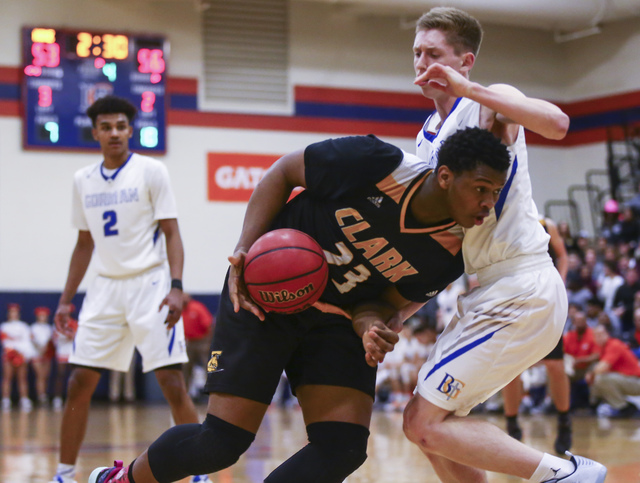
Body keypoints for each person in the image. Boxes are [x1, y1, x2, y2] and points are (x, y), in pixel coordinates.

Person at [87, 126, 512, 483]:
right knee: (220, 444)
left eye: (494, 192)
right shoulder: (376, 161)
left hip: (337, 322)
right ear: (444, 177)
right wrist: (243, 250)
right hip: (266, 297)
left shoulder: (450, 253)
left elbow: (384, 304)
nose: (487, 204)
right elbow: (283, 172)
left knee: (342, 447)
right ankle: (121, 480)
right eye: (480, 189)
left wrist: (372, 327)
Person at [403, 7, 607, 482]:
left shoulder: (490, 102)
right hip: (486, 288)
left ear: (465, 61)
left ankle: (567, 474)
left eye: (434, 53)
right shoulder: (427, 138)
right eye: (416, 53)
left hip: (523, 282)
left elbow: (557, 123)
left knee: (425, 423)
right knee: (426, 426)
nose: (421, 63)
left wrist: (470, 90)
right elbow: (444, 242)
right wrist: (399, 312)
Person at [49, 95, 209, 483]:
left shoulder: (152, 171)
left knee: (172, 382)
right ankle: (65, 474)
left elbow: (172, 232)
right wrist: (65, 301)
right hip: (104, 289)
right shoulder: (82, 180)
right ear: (96, 132)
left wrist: (176, 286)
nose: (115, 132)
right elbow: (84, 244)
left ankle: (201, 473)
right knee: (78, 383)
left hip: (150, 284)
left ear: (130, 129)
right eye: (106, 127)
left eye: (121, 125)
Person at [501, 216, 573, 454]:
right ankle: (512, 424)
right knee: (511, 369)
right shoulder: (499, 223)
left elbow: (562, 255)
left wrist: (560, 280)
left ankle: (564, 422)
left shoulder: (545, 223)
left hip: (545, 301)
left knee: (555, 365)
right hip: (514, 301)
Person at [587, 324, 640, 418]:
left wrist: (591, 374)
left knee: (602, 378)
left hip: (636, 382)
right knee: (597, 376)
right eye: (595, 335)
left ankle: (623, 407)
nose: (598, 338)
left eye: (600, 334)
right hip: (627, 380)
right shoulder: (602, 348)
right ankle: (595, 405)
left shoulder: (614, 344)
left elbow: (602, 368)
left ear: (607, 334)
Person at [1, 303, 35, 412]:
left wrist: (22, 353)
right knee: (7, 377)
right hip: (8, 355)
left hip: (22, 355)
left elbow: (27, 342)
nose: (13, 314)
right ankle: (6, 400)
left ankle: (24, 399)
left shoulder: (24, 326)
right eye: (11, 312)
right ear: (8, 314)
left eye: (15, 312)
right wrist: (12, 352)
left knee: (22, 378)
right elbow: (5, 341)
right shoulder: (4, 326)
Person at [181, 293, 215, 398]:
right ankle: (184, 395)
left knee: (209, 367)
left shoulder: (197, 308)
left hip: (202, 341)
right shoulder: (179, 310)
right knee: (186, 368)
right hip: (188, 342)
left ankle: (212, 394)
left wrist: (208, 341)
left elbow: (209, 324)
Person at [30, 306, 56, 406]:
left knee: (45, 376)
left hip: (47, 355)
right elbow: (32, 340)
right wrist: (40, 349)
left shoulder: (49, 328)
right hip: (36, 354)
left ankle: (44, 395)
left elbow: (51, 341)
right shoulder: (33, 327)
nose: (43, 317)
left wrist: (46, 349)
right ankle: (40, 396)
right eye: (41, 315)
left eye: (44, 316)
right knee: (40, 375)